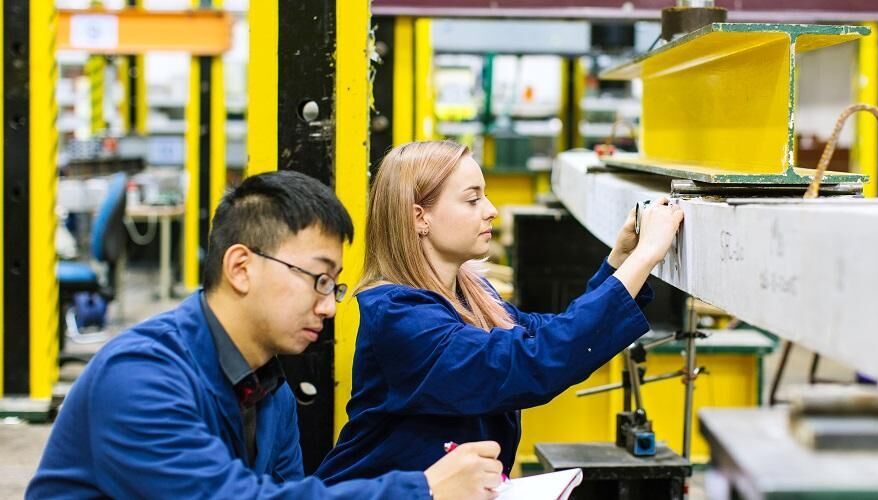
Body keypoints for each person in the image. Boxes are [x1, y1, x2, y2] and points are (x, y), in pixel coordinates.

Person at [28, 170, 503, 499]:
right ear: (240, 267)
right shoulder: (139, 378)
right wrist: (423, 489)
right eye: (316, 279)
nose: (328, 305)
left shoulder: (269, 391)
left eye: (333, 284)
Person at [314, 141, 684, 484]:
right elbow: (530, 362)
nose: (491, 211)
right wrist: (646, 255)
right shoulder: (398, 317)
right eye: (472, 200)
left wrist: (619, 262)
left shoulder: (472, 292)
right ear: (419, 217)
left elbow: (544, 334)